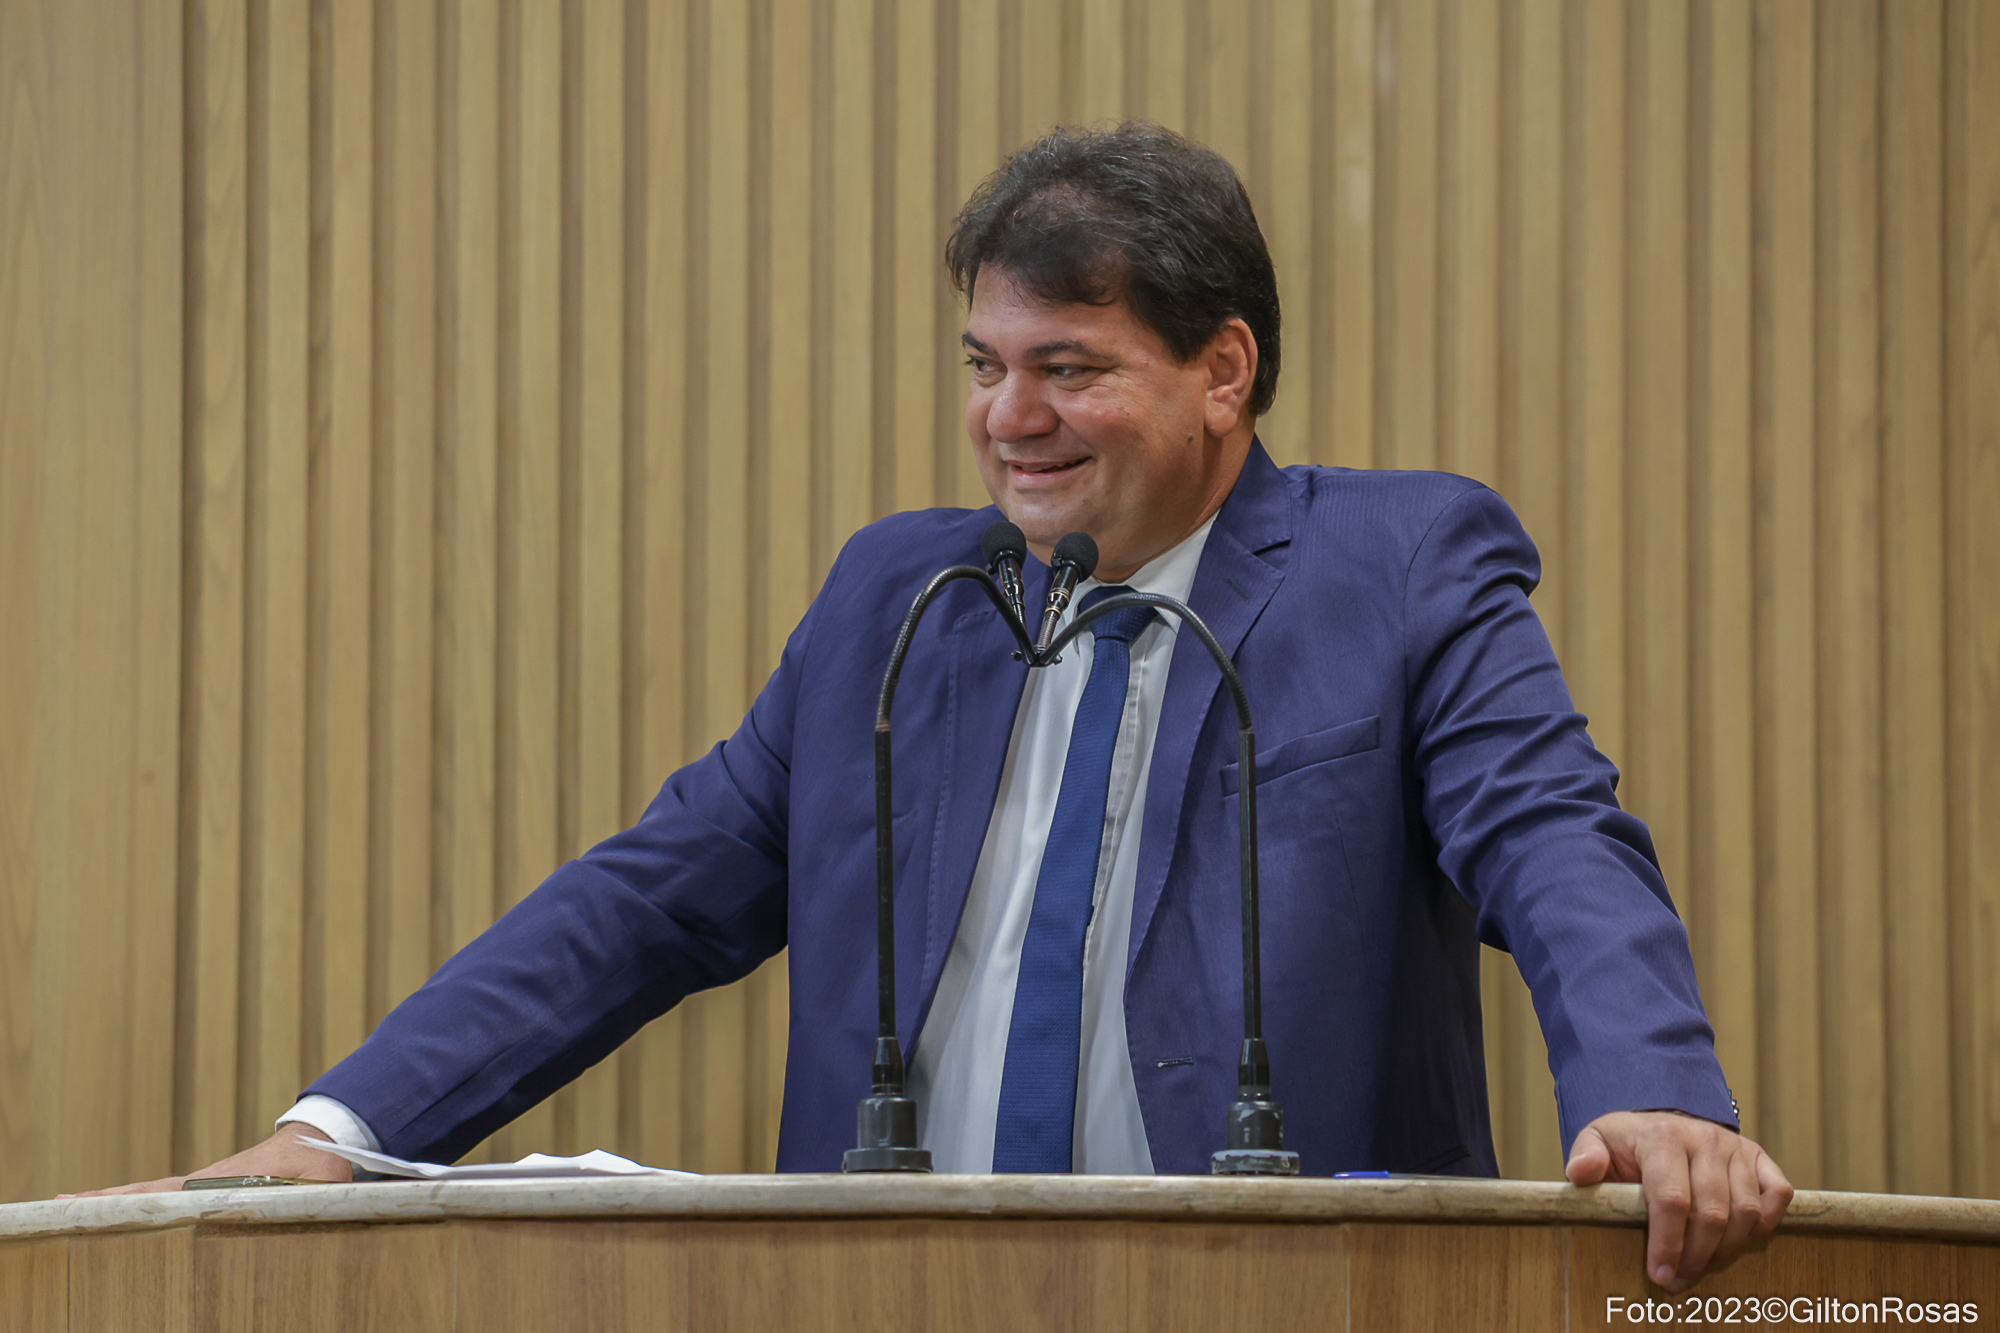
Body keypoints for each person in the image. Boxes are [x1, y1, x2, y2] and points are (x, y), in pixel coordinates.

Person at [83, 123, 1789, 1291]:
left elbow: (1550, 832)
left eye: (1068, 368)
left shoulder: (1397, 565)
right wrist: (341, 1134)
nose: (1006, 419)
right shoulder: (894, 604)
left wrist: (1656, 1088)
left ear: (1224, 370)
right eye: (985, 364)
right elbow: (647, 898)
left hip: (1286, 1295)